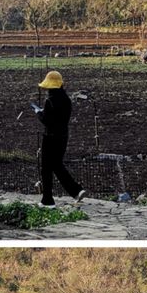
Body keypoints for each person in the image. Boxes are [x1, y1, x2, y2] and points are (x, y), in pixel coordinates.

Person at [33, 70, 86, 208]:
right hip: (63, 136)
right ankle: (76, 190)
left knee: (46, 168)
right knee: (57, 165)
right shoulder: (67, 100)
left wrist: (38, 113)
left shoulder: (49, 101)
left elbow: (47, 120)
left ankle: (47, 200)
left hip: (50, 137)